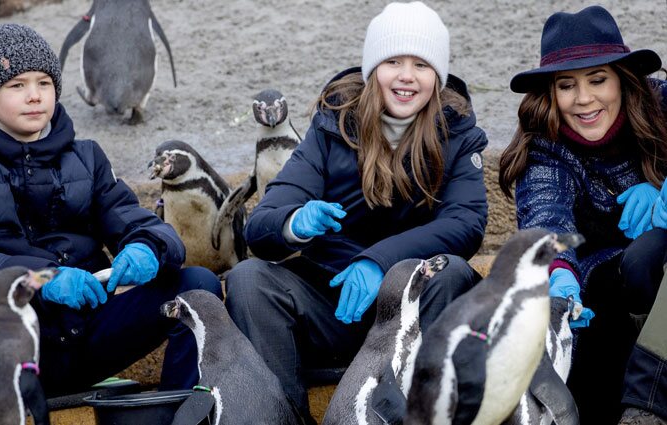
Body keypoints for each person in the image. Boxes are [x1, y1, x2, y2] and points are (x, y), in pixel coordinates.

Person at [0, 23, 222, 397]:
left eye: (44, 83)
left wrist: (149, 246)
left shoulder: (87, 157)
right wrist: (39, 279)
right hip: (12, 351)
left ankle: (183, 414)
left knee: (198, 288)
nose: (34, 96)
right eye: (17, 85)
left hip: (87, 332)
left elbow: (139, 222)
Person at [224, 2, 488, 422]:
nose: (406, 75)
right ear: (372, 70)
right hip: (337, 306)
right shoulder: (331, 127)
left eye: (421, 64)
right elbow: (262, 225)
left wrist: (379, 262)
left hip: (414, 307)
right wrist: (295, 223)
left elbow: (467, 224)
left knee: (452, 273)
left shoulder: (456, 131)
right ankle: (284, 416)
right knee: (249, 279)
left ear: (436, 77)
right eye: (393, 61)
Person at [500, 6, 667, 424]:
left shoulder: (660, 103)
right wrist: (559, 272)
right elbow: (545, 212)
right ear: (550, 93)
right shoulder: (544, 144)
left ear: (622, 82)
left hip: (657, 268)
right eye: (567, 85)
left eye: (598, 80)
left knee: (647, 255)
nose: (584, 98)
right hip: (599, 287)